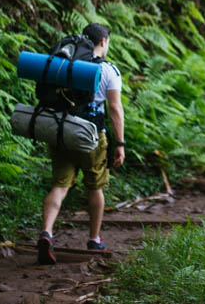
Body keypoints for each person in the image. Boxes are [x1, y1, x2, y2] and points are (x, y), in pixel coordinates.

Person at [37, 23, 125, 265]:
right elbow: (115, 109)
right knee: (95, 187)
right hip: (91, 134)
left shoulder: (64, 65)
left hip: (62, 130)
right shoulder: (108, 70)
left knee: (60, 185)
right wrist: (120, 144)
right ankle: (94, 239)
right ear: (103, 42)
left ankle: (47, 232)